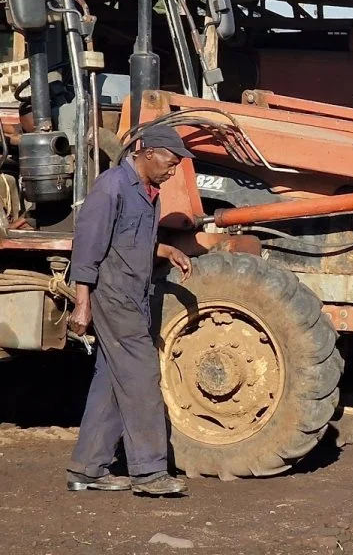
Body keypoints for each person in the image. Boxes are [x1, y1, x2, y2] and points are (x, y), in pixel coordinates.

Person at [65, 125, 194, 496]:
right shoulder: (112, 187)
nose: (173, 170)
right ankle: (149, 472)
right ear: (149, 152)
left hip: (133, 295)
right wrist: (82, 304)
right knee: (140, 376)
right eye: (171, 162)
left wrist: (166, 251)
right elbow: (87, 250)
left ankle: (87, 469)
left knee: (112, 380)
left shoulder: (148, 193)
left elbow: (130, 242)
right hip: (113, 295)